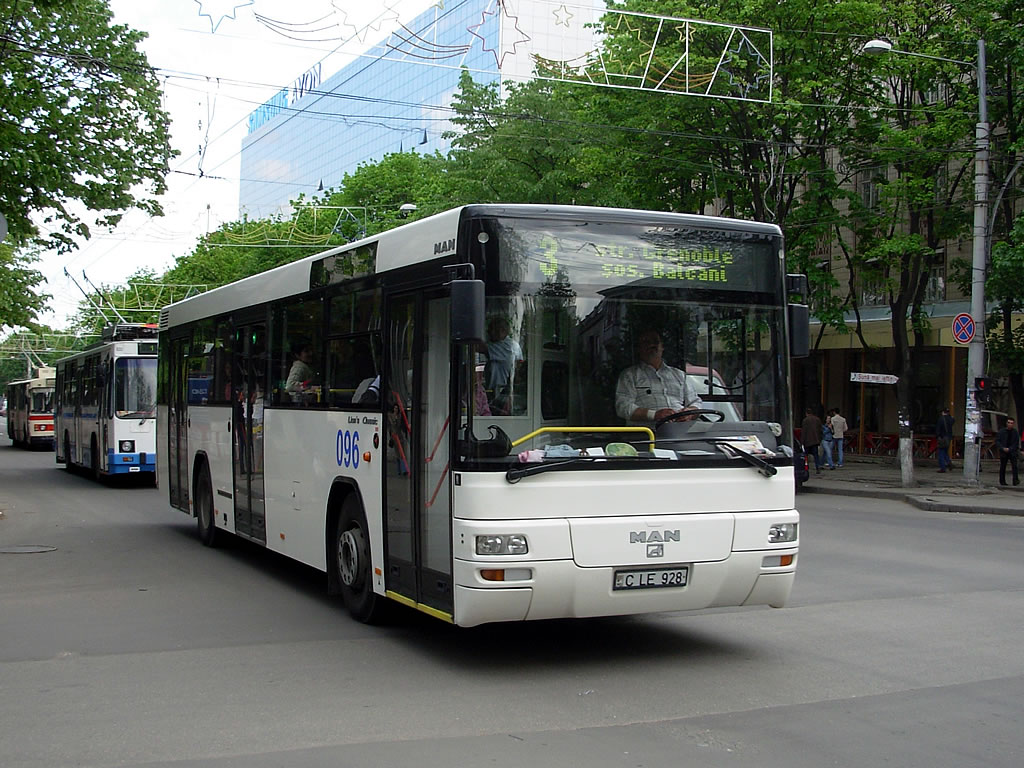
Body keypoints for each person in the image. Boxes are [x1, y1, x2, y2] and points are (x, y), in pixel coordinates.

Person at [615, 329, 703, 426]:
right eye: (646, 342)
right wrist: (655, 415)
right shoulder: (629, 375)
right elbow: (623, 407)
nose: (652, 345)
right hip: (647, 434)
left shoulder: (679, 375)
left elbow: (696, 402)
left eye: (655, 342)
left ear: (662, 347)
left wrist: (689, 413)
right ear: (639, 348)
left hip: (681, 432)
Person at [484, 317, 524, 415]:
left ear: (503, 331)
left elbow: (479, 347)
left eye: (491, 329)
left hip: (501, 391)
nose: (489, 332)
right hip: (496, 389)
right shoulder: (511, 344)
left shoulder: (506, 346)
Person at [995, 417, 1020, 486]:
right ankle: (1002, 481)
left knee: (1014, 466)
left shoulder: (1015, 432)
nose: (1010, 424)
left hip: (1012, 452)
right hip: (1003, 451)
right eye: (1009, 423)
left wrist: (1010, 449)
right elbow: (997, 441)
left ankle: (1015, 480)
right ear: (1006, 423)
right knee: (1003, 466)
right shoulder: (1001, 432)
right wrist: (1002, 448)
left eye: (1011, 423)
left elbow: (1016, 443)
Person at [801, 407, 824, 474]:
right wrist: (819, 439)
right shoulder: (817, 419)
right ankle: (818, 467)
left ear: (806, 413)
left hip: (807, 441)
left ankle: (806, 468)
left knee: (806, 456)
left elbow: (804, 431)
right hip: (815, 441)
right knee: (816, 455)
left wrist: (802, 441)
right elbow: (820, 430)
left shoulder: (805, 420)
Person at [935, 406, 955, 473]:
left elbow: (938, 429)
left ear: (942, 412)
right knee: (945, 451)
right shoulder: (951, 419)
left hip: (942, 437)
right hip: (949, 437)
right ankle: (949, 463)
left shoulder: (941, 419)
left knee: (941, 452)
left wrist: (937, 436)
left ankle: (943, 467)